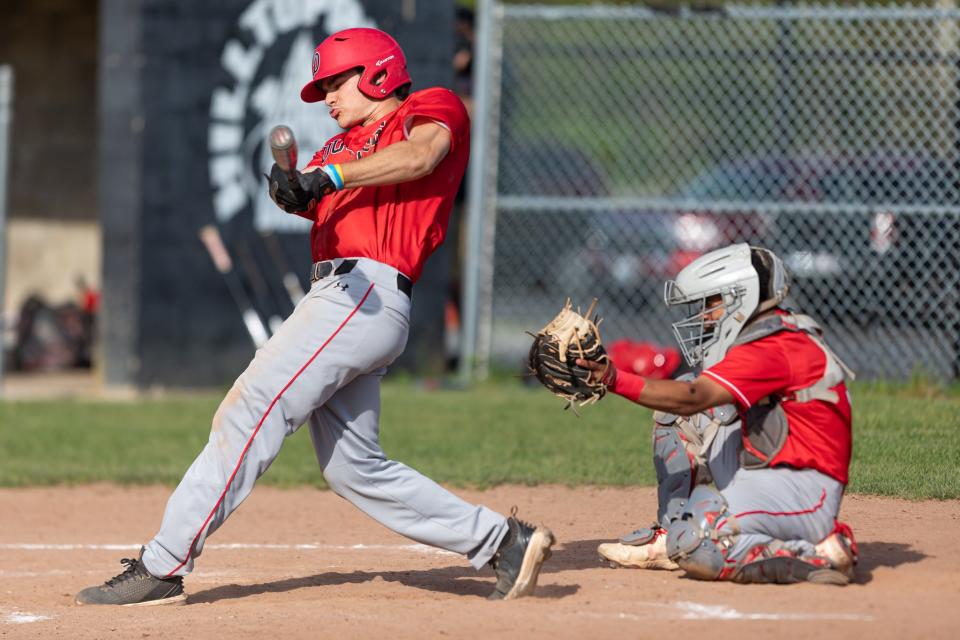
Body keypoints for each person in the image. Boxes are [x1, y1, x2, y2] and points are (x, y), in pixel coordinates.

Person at [75, 27, 554, 606]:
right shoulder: (336, 147)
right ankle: (503, 542)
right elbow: (324, 196)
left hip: (364, 292)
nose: (326, 96)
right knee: (354, 469)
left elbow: (420, 155)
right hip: (341, 296)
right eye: (322, 85)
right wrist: (299, 194)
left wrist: (328, 178)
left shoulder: (428, 108)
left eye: (335, 81)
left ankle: (163, 563)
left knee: (251, 407)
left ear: (377, 73)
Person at [579, 243, 859, 584]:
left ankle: (816, 551)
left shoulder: (775, 346)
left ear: (741, 297)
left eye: (712, 302)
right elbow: (690, 400)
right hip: (773, 474)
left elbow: (693, 397)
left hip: (803, 491)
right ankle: (674, 532)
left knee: (698, 544)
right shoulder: (767, 336)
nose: (705, 315)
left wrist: (612, 378)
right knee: (681, 416)